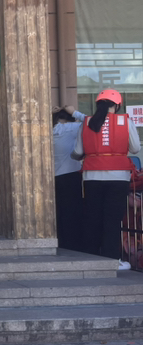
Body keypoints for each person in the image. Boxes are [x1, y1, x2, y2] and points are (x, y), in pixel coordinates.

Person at [71, 89, 141, 270]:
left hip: (92, 177)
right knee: (112, 219)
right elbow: (135, 148)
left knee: (92, 218)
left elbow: (78, 152)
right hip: (118, 177)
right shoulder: (125, 121)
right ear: (117, 106)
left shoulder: (87, 122)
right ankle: (111, 260)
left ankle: (90, 258)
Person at [53, 104, 87, 252]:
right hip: (71, 176)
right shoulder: (74, 128)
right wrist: (75, 112)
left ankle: (58, 242)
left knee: (56, 212)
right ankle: (72, 245)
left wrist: (48, 114)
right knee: (72, 213)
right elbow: (93, 121)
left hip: (51, 178)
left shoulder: (45, 129)